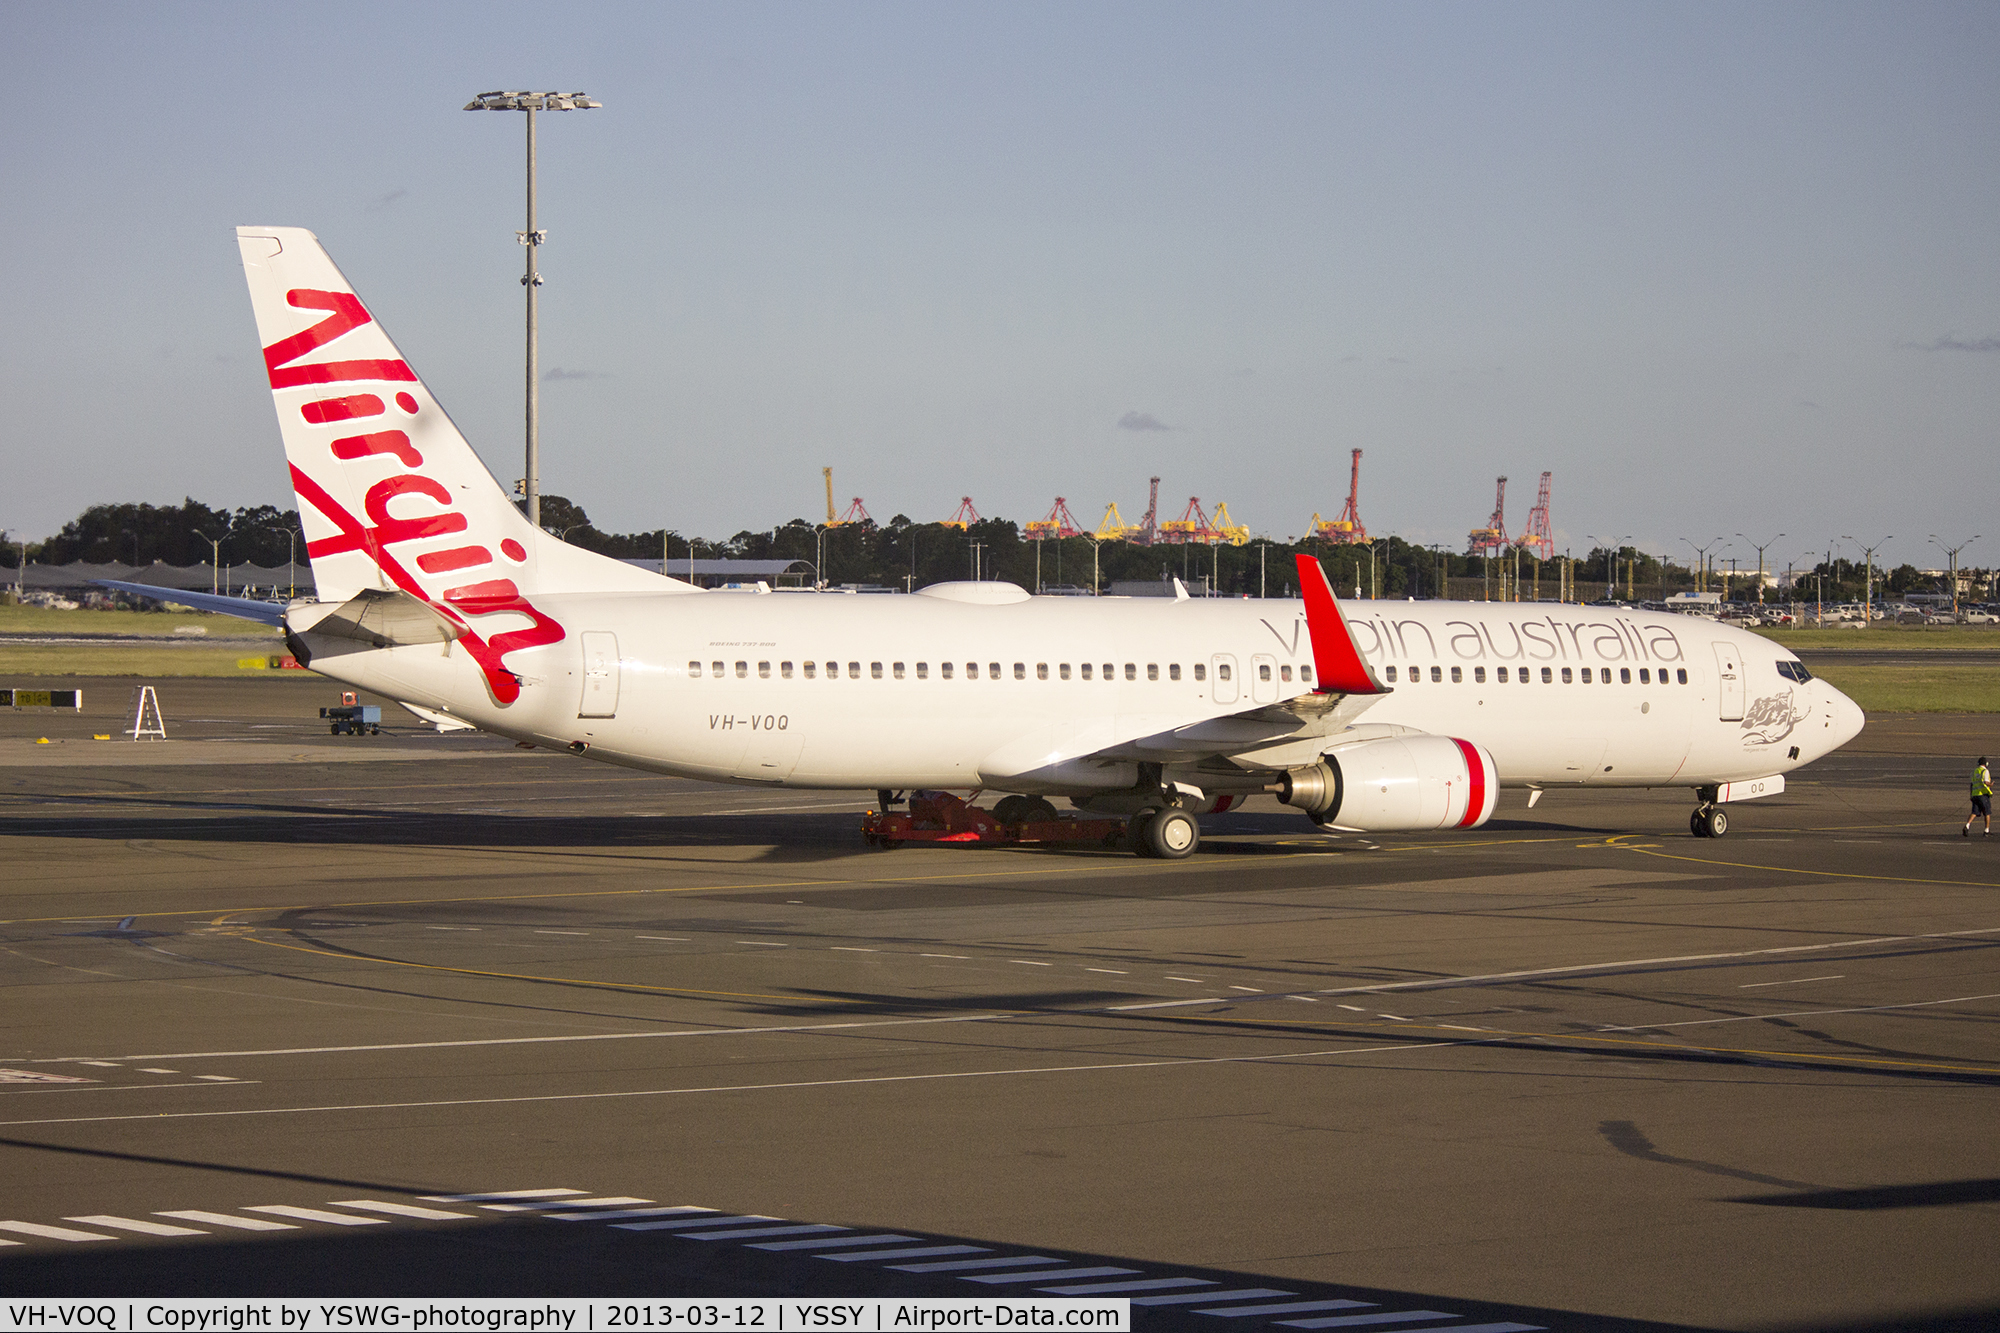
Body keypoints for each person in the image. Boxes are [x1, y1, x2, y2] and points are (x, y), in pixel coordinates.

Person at [1967, 757, 1993, 837]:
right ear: (1986, 764)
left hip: (1975, 794)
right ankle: (1986, 830)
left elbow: (1972, 783)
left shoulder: (1974, 771)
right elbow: (1986, 782)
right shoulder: (1985, 771)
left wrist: (1971, 795)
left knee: (1974, 812)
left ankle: (1967, 825)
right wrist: (1990, 784)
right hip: (1983, 795)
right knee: (1987, 812)